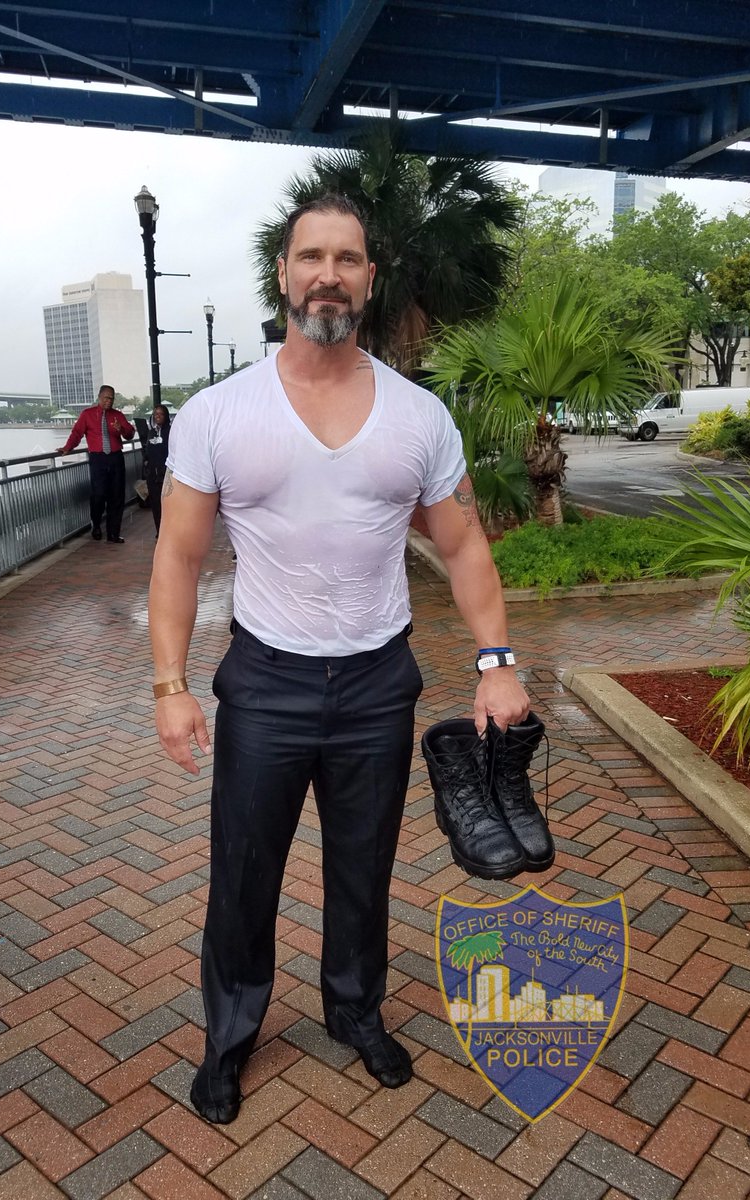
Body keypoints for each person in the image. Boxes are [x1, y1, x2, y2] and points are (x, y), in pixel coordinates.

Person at [148, 194, 530, 1125]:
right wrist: (169, 685)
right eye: (311, 256)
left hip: (376, 683)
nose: (328, 274)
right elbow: (178, 557)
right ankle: (230, 1037)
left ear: (368, 279)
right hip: (265, 683)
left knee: (364, 869)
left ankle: (355, 1011)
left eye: (347, 259)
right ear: (283, 273)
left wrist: (497, 661)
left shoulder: (419, 416)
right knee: (244, 877)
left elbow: (465, 545)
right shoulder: (218, 413)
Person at [58, 384, 135, 543]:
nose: (109, 401)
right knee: (98, 494)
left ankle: (113, 534)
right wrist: (67, 447)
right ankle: (96, 524)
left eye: (111, 398)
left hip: (116, 458)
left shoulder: (118, 415)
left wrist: (121, 429)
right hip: (98, 458)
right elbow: (77, 433)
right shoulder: (87, 414)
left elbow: (130, 434)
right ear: (99, 397)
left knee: (116, 496)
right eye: (106, 398)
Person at [142, 404, 171, 536]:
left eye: (161, 414)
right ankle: (159, 531)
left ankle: (169, 531)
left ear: (166, 416)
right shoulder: (151, 432)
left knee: (167, 503)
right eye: (156, 414)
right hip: (153, 475)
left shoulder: (170, 432)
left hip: (166, 474)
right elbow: (147, 452)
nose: (158, 416)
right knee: (155, 503)